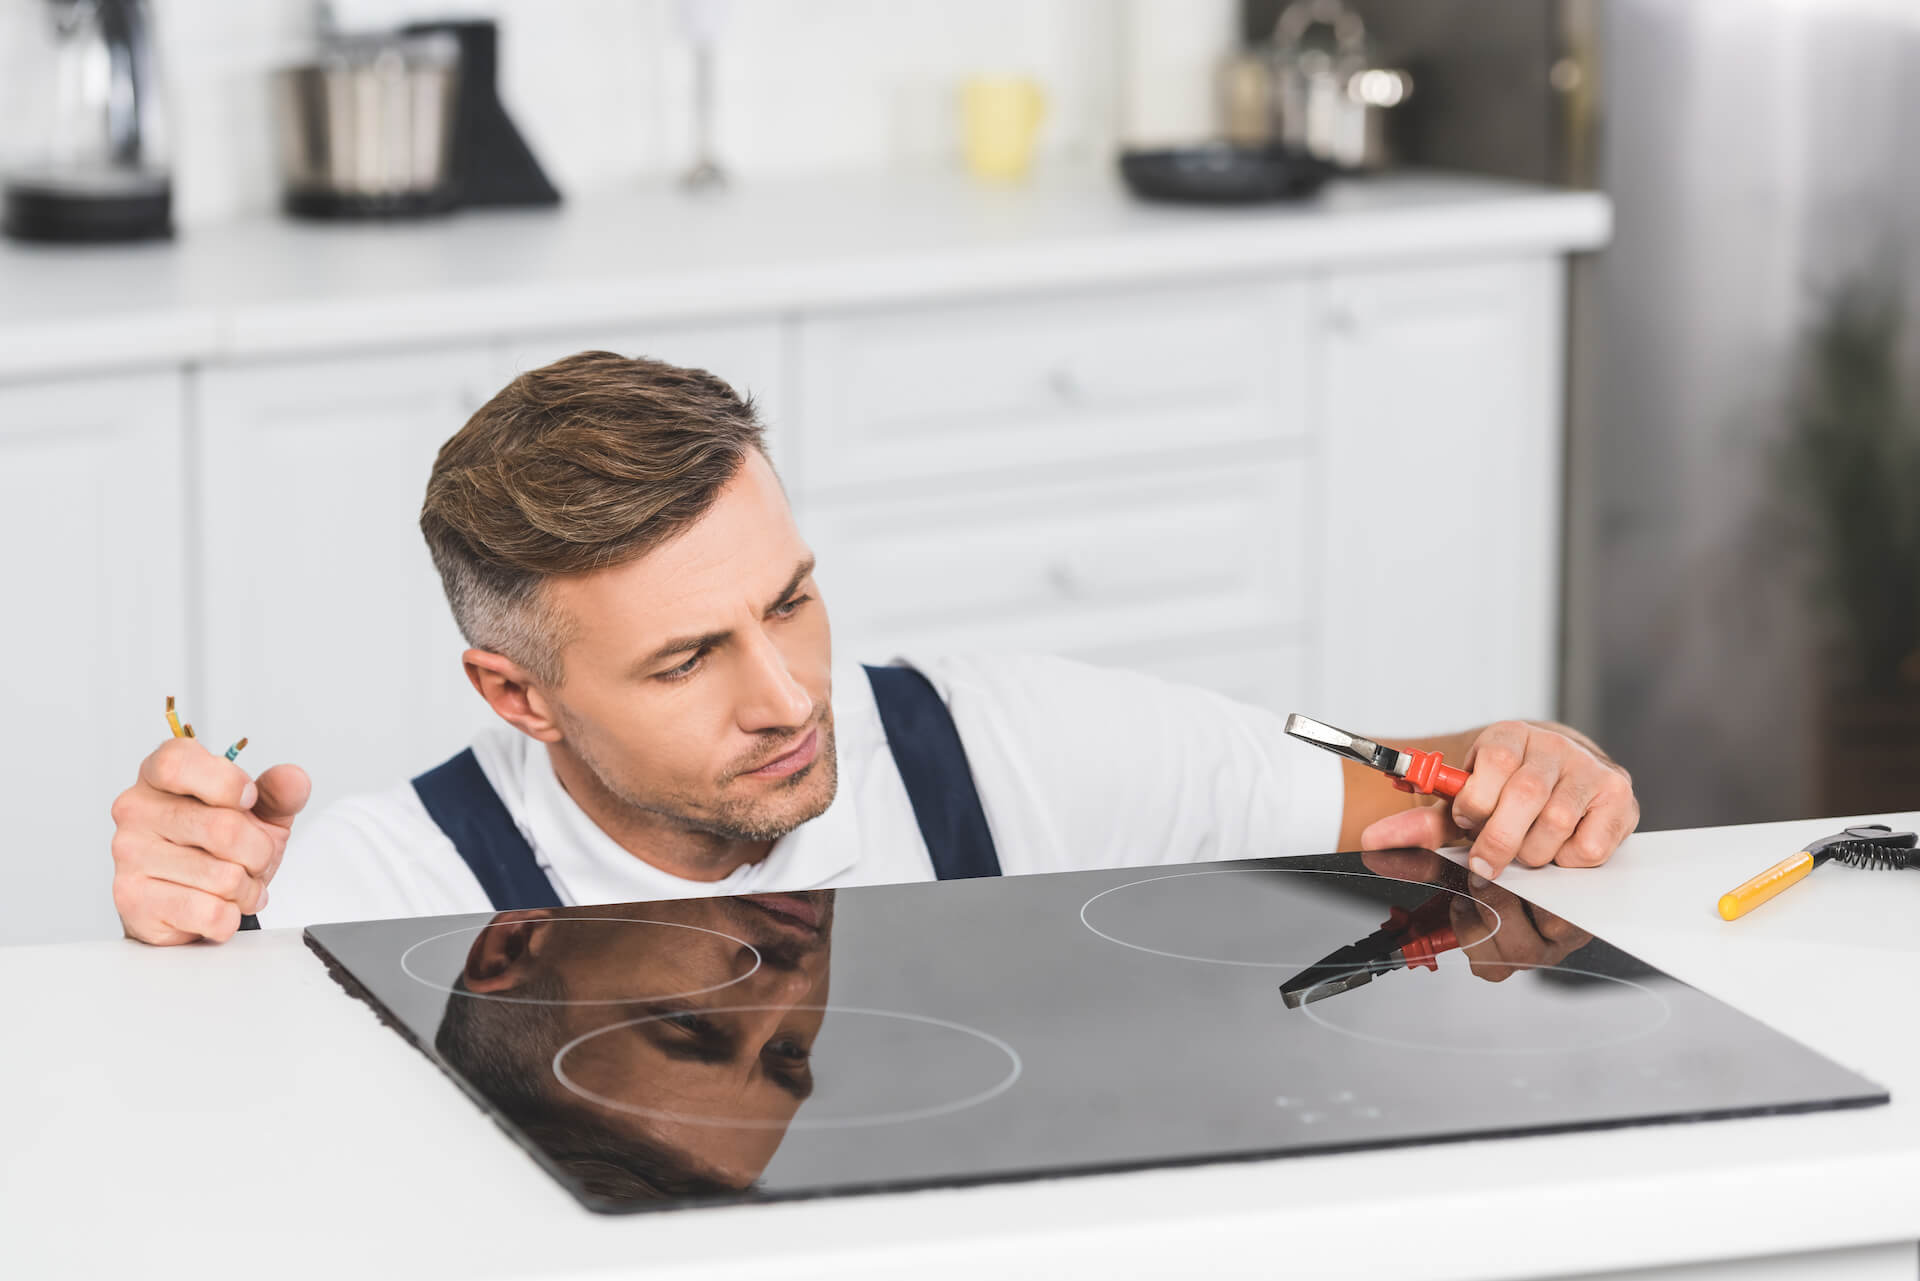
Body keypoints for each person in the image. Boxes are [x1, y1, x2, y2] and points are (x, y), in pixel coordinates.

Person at [107, 352, 1640, 945]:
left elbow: (1411, 805)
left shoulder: (991, 746)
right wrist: (175, 925)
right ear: (520, 692)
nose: (789, 699)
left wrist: (1528, 763)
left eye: (789, 601)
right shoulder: (368, 890)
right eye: (684, 658)